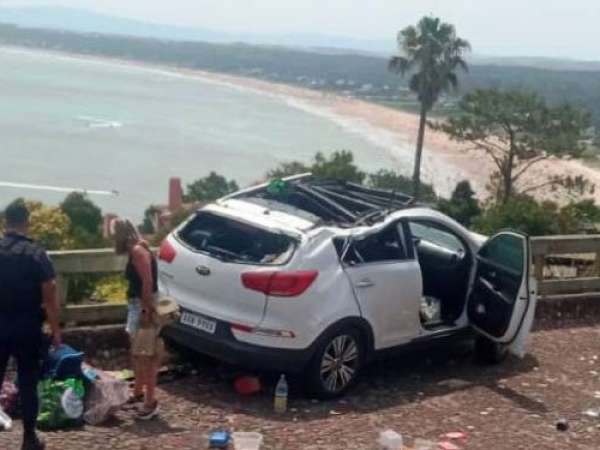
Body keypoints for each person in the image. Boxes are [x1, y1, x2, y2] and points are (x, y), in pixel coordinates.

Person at [0, 199, 62, 450]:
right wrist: (56, 330)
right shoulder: (36, 253)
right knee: (28, 382)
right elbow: (49, 296)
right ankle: (29, 438)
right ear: (27, 221)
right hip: (27, 325)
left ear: (6, 222)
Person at [114, 219, 161, 420]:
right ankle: (138, 393)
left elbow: (147, 281)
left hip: (141, 305)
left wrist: (145, 310)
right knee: (139, 353)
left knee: (145, 355)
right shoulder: (140, 248)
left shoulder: (137, 251)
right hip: (138, 304)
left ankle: (150, 401)